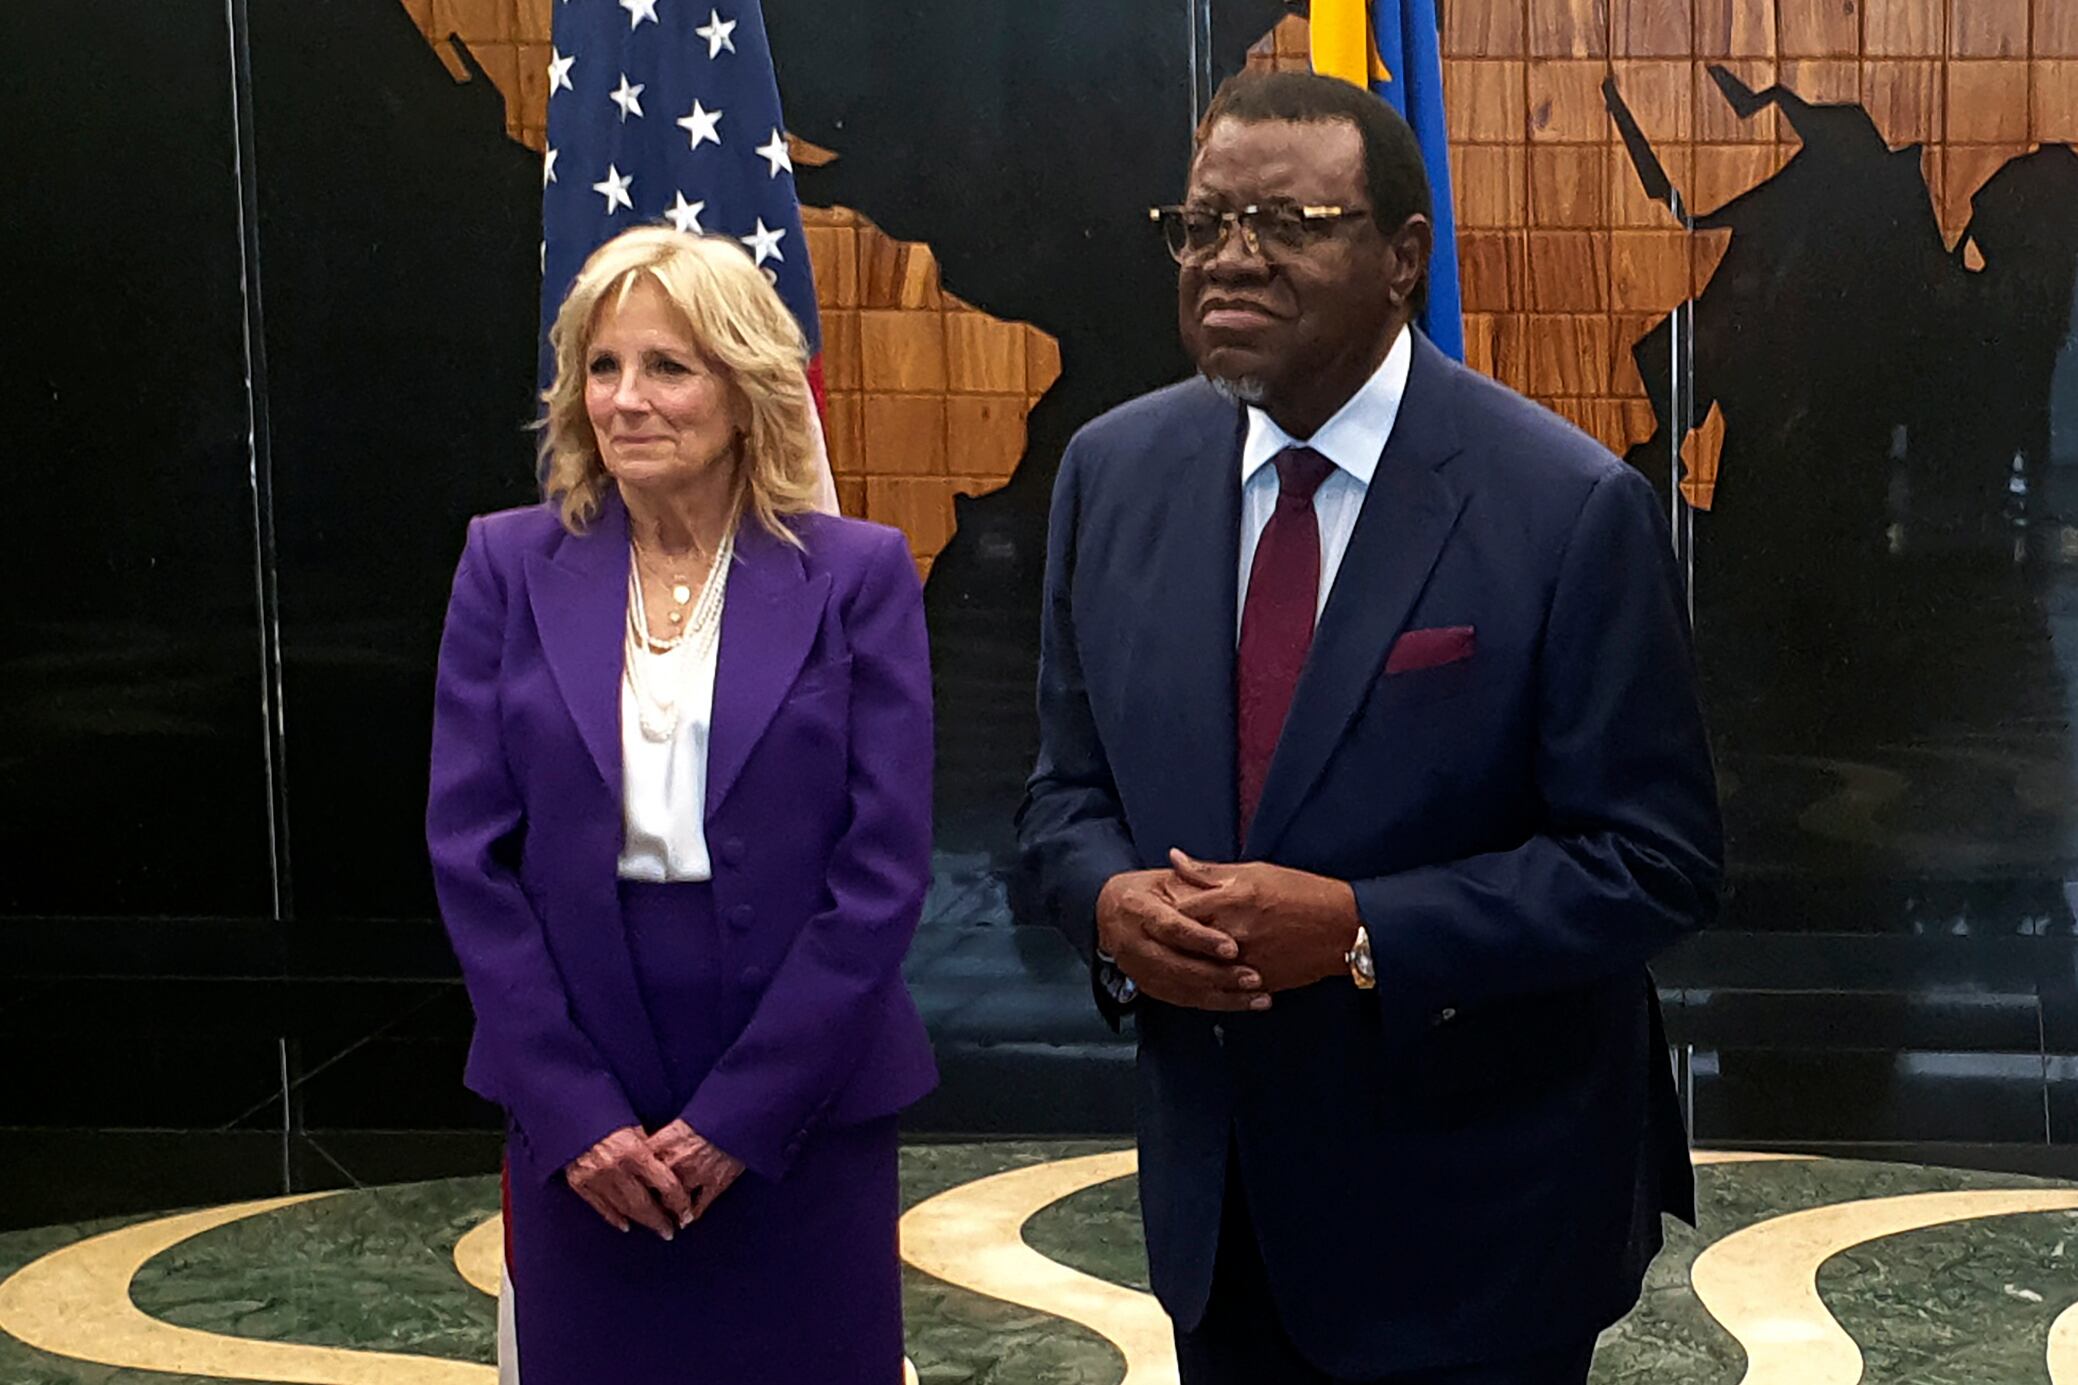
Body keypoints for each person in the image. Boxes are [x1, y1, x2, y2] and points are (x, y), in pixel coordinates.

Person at [1018, 71, 1722, 1385]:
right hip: (1219, 1218)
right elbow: (1065, 792)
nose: (1231, 257)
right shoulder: (1109, 475)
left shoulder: (1564, 506)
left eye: (1286, 224)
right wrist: (1108, 905)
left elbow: (1653, 862)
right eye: (1202, 224)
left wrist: (1358, 931)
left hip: (1479, 1230)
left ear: (1402, 259)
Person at [426, 225, 936, 1384]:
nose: (626, 399)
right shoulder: (505, 565)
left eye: (667, 366)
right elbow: (468, 854)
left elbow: (882, 870)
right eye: (602, 366)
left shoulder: (855, 574)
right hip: (578, 1082)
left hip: (804, 1092)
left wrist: (741, 1115)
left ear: (745, 389)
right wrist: (573, 1112)